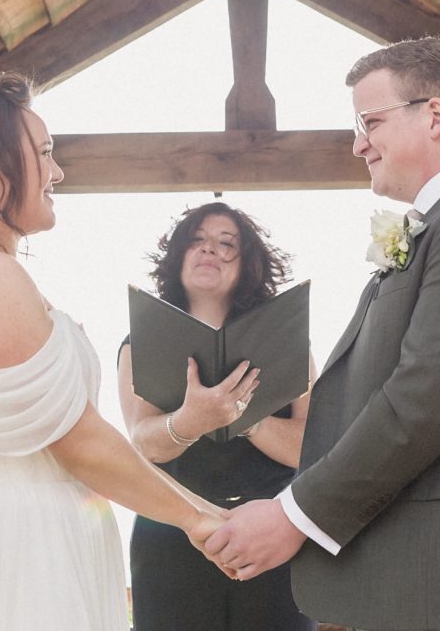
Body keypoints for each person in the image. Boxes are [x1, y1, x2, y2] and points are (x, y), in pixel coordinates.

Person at [207, 37, 440, 631]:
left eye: (370, 121)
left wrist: (294, 516)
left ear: (435, 116)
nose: (357, 143)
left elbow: (426, 396)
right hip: (405, 582)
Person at [0, 73, 227, 630]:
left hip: (15, 541)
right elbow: (78, 441)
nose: (56, 173)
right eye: (45, 153)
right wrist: (200, 519)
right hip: (29, 559)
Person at [117, 202, 317, 631]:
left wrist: (247, 418)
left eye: (227, 244)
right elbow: (143, 443)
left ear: (248, 266)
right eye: (198, 239)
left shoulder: (290, 343)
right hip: (171, 535)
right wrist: (193, 418)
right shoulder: (141, 342)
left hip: (270, 538)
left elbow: (313, 445)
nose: (209, 249)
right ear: (178, 255)